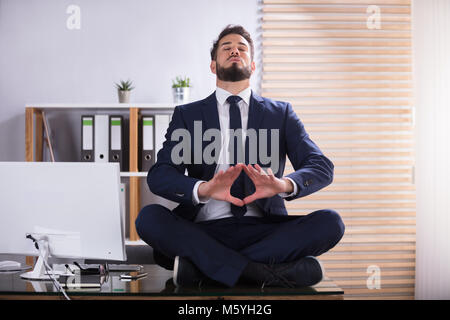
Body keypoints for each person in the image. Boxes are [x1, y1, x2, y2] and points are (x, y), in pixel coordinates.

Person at [135, 24, 345, 288]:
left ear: (253, 66)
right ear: (213, 66)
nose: (234, 50)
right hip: (204, 230)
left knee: (331, 222)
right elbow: (160, 175)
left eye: (242, 48)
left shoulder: (280, 114)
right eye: (227, 47)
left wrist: (283, 185)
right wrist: (204, 188)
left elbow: (320, 166)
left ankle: (204, 269)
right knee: (149, 218)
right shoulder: (188, 116)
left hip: (265, 231)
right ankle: (263, 273)